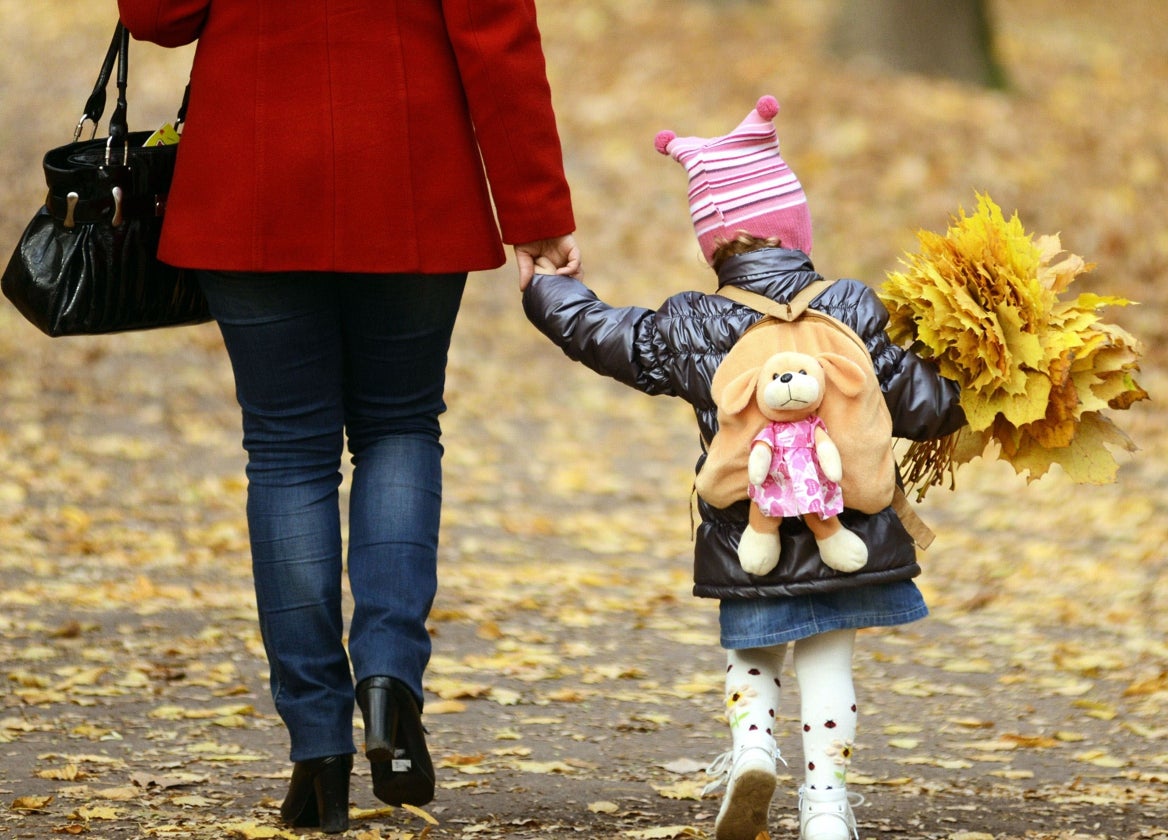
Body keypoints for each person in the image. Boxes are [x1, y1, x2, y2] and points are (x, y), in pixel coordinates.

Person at [117, 1, 580, 834]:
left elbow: (155, 14)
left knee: (287, 454)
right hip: (411, 169)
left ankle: (317, 752)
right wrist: (535, 208)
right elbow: (496, 32)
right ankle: (389, 681)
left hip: (249, 176)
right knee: (400, 426)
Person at [523, 96, 963, 840]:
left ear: (712, 245)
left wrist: (549, 291)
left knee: (752, 652)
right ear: (797, 229)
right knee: (828, 661)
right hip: (847, 528)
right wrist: (974, 380)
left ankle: (753, 746)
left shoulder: (695, 322)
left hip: (744, 531)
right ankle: (826, 805)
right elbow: (925, 408)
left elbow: (608, 337)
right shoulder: (854, 305)